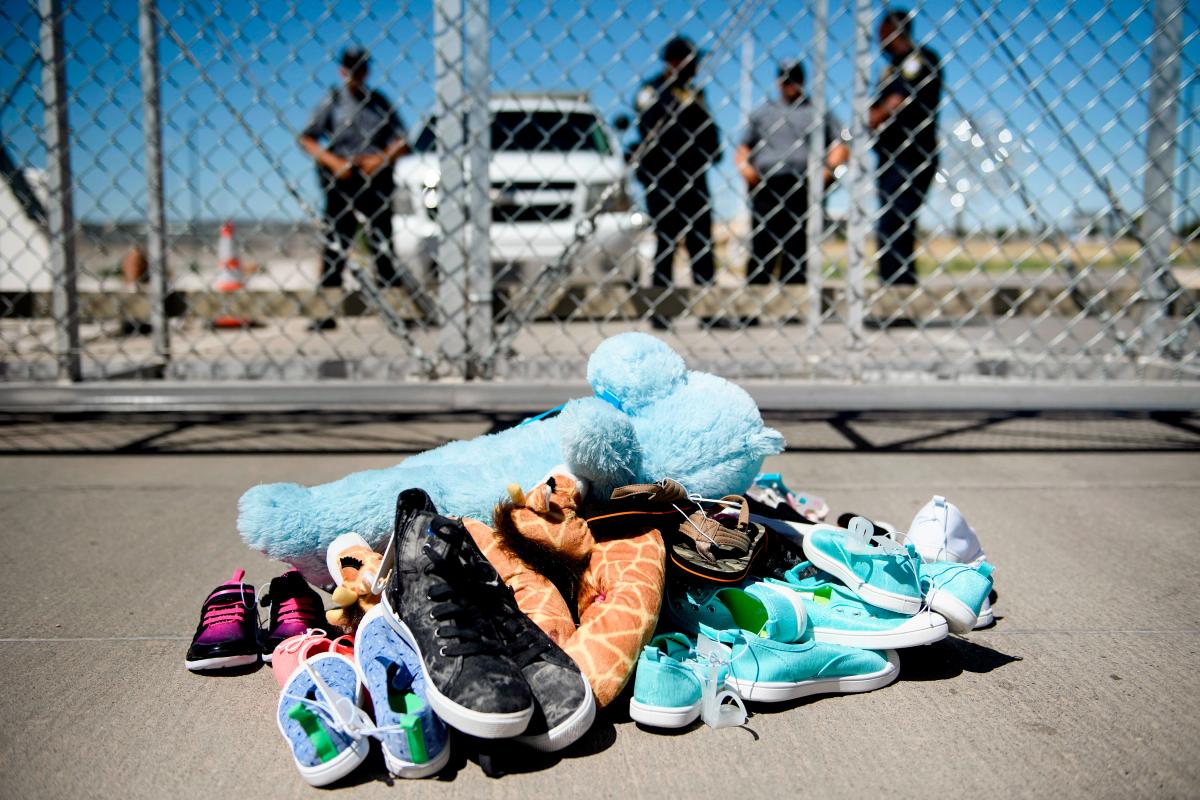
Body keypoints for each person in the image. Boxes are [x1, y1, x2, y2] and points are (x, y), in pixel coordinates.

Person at [299, 45, 409, 330]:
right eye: (350, 68)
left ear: (367, 70)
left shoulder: (379, 103)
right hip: (342, 181)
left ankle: (394, 311)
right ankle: (326, 312)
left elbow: (402, 140)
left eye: (360, 68)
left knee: (382, 246)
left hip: (375, 179)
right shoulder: (332, 102)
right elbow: (308, 139)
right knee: (336, 246)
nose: (355, 74)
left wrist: (380, 159)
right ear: (342, 70)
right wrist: (334, 163)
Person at [736, 60, 849, 284]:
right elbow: (743, 147)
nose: (790, 85)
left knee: (797, 245)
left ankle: (793, 305)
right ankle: (753, 306)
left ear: (803, 80)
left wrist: (826, 174)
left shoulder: (816, 111)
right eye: (786, 79)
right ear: (778, 82)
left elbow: (840, 143)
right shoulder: (764, 112)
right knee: (762, 243)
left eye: (794, 79)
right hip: (767, 184)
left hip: (801, 182)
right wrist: (746, 169)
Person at [633, 36, 723, 300]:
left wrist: (710, 149)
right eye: (691, 61)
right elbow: (649, 127)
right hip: (664, 179)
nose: (696, 67)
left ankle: (708, 307)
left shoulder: (695, 93)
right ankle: (661, 306)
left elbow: (709, 132)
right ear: (675, 62)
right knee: (666, 241)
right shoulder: (652, 90)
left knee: (702, 243)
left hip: (694, 178)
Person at [869, 8, 941, 286]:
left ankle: (897, 290)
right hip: (890, 156)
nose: (879, 44)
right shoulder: (892, 69)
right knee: (890, 221)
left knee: (895, 222)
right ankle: (893, 286)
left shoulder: (919, 60)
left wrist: (874, 117)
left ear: (894, 33)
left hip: (912, 155)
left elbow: (896, 101)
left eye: (882, 37)